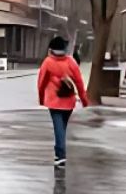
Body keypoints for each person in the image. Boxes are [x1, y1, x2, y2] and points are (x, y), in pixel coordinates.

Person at [37, 36, 89, 167]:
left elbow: (41, 83)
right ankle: (59, 151)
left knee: (58, 127)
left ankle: (60, 154)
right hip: (69, 101)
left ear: (51, 49)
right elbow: (79, 82)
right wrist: (84, 100)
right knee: (62, 127)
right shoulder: (71, 62)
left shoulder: (48, 62)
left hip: (53, 101)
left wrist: (42, 98)